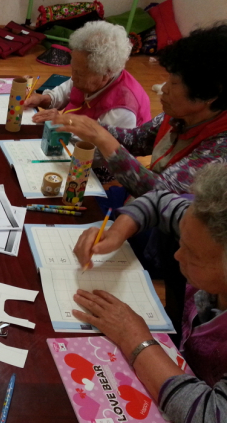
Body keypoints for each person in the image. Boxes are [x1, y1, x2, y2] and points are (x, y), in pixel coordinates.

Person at [71, 163, 227, 422]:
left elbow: (210, 414)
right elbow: (158, 201)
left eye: (193, 254)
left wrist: (134, 337)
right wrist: (117, 232)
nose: (177, 255)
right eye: (182, 241)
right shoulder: (208, 223)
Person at [53, 24, 227, 198]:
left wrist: (103, 139)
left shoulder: (219, 150)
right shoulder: (179, 116)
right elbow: (138, 139)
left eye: (174, 83)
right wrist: (91, 127)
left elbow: (161, 194)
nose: (164, 89)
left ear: (209, 93)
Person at [25, 21, 151, 128]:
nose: (73, 78)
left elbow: (97, 145)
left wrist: (62, 123)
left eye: (79, 74)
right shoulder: (88, 72)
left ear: (105, 74)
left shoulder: (122, 110)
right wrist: (42, 99)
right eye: (73, 70)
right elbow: (64, 92)